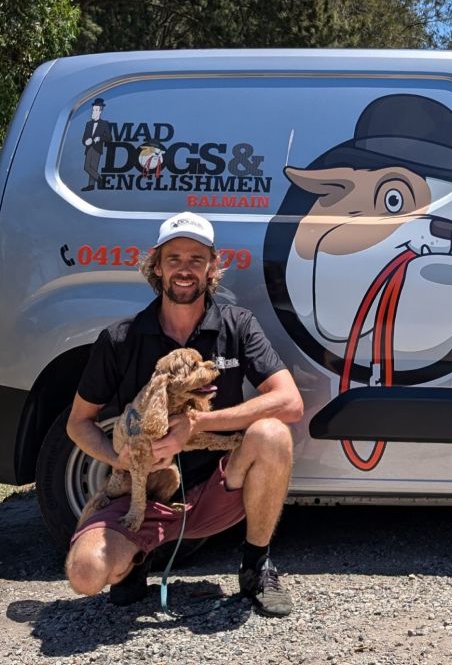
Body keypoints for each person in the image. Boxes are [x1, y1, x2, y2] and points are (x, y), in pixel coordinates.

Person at [64, 212, 304, 616]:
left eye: (196, 258)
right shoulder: (120, 339)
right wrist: (117, 457)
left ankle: (256, 566)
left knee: (272, 434)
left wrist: (197, 424)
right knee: (85, 575)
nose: (184, 269)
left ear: (212, 266)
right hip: (144, 490)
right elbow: (78, 424)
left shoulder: (237, 325)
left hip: (216, 489)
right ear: (156, 265)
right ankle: (138, 559)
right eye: (174, 258)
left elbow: (290, 402)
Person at [81, 98, 111, 191]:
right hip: (89, 147)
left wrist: (100, 138)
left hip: (97, 148)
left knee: (93, 166)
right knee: (86, 167)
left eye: (96, 110)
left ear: (100, 111)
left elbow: (109, 137)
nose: (94, 112)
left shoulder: (104, 124)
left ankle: (91, 185)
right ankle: (100, 179)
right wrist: (86, 141)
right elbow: (84, 138)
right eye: (94, 110)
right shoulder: (88, 124)